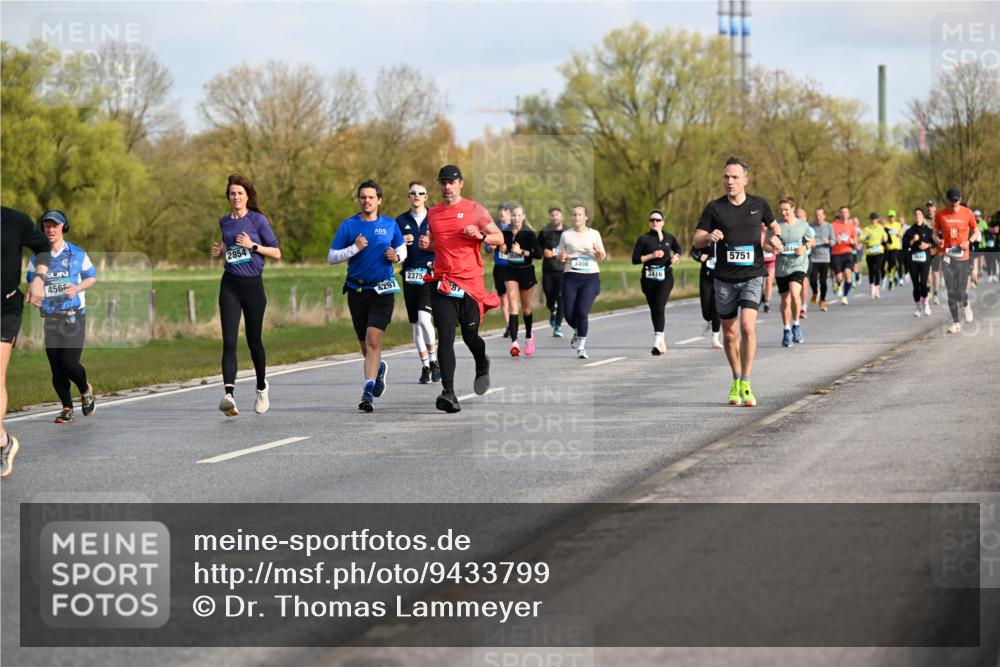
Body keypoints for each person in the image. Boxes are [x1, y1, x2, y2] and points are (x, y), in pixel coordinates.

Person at [693, 156, 782, 408]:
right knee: (730, 334)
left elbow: (775, 228)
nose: (729, 181)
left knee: (747, 328)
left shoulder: (759, 204)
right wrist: (709, 236)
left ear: (745, 180)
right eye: (726, 177)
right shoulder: (714, 208)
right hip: (724, 279)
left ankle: (746, 380)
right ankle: (735, 378)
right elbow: (696, 239)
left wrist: (776, 240)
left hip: (753, 275)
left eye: (734, 177)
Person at [419, 165, 503, 413]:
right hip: (443, 283)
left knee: (470, 337)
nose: (446, 187)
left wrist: (480, 236)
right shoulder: (432, 214)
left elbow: (499, 238)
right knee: (444, 336)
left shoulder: (475, 209)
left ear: (460, 184)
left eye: (451, 182)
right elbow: (437, 243)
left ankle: (481, 362)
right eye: (443, 183)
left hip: (470, 284)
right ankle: (448, 392)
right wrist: (427, 245)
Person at [329, 179, 405, 412]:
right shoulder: (349, 226)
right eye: (363, 197)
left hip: (382, 290)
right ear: (359, 200)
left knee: (373, 340)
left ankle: (367, 392)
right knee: (365, 346)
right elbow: (331, 257)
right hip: (356, 290)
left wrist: (396, 257)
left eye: (371, 197)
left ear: (379, 200)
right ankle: (378, 369)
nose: (367, 201)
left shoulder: (390, 225)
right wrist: (355, 248)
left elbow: (402, 250)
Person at [210, 173, 281, 417]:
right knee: (229, 341)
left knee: (254, 342)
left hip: (253, 287)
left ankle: (262, 386)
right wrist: (222, 251)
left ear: (247, 196)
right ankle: (229, 395)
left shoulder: (258, 220)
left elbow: (277, 252)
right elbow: (231, 248)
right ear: (228, 197)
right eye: (232, 193)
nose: (236, 197)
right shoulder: (224, 222)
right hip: (229, 284)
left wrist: (253, 245)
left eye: (240, 193)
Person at [26, 210, 97, 424]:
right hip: (51, 318)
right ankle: (67, 407)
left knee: (69, 364)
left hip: (73, 316)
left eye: (55, 225)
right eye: (47, 225)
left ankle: (85, 390)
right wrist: (35, 295)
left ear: (63, 227)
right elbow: (33, 283)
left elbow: (91, 278)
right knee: (57, 370)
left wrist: (77, 287)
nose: (51, 229)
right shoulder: (38, 257)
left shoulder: (77, 254)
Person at [1, 207, 48, 478]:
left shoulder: (14, 221)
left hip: (4, 308)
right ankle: (5, 442)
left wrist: (39, 279)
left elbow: (42, 247)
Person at [395, 180, 440, 384]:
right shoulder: (400, 220)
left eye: (420, 193)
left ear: (426, 196)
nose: (416, 196)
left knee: (424, 319)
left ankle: (434, 361)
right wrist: (401, 244)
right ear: (409, 196)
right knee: (415, 325)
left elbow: (445, 244)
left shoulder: (435, 218)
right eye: (412, 193)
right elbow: (392, 248)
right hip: (409, 275)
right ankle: (425, 366)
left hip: (428, 275)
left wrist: (431, 245)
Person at [556, 205, 607, 360]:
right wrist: (562, 257)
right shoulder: (566, 235)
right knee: (569, 314)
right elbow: (560, 254)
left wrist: (599, 252)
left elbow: (602, 256)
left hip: (590, 277)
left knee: (582, 312)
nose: (576, 217)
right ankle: (578, 331)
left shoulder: (594, 234)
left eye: (579, 214)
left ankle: (581, 347)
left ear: (586, 217)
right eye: (574, 214)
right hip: (571, 275)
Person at [632, 209, 682, 355]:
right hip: (648, 278)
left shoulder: (669, 237)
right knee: (654, 309)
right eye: (652, 220)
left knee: (660, 307)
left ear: (662, 222)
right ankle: (661, 337)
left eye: (658, 220)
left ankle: (656, 343)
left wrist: (676, 257)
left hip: (665, 277)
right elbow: (635, 260)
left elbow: (678, 249)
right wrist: (651, 255)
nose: (655, 222)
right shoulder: (644, 239)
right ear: (649, 223)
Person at [933, 187, 980, 334]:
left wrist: (970, 242)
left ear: (960, 199)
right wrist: (938, 240)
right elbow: (934, 233)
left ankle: (965, 305)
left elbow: (976, 231)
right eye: (952, 200)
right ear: (947, 199)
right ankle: (956, 323)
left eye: (957, 200)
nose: (955, 203)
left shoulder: (967, 213)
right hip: (947, 256)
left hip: (963, 256)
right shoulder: (940, 215)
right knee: (950, 291)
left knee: (960, 290)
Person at [771, 197, 815, 347]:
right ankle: (787, 329)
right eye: (781, 210)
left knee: (794, 293)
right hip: (782, 267)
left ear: (793, 209)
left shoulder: (803, 225)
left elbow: (812, 241)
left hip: (798, 265)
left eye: (786, 210)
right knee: (785, 299)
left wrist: (805, 247)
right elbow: (766, 244)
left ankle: (796, 324)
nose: (783, 213)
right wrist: (773, 249)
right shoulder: (777, 226)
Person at [503, 204, 543, 357]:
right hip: (510, 271)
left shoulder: (529, 234)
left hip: (526, 272)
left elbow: (538, 254)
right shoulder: (506, 232)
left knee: (526, 309)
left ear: (523, 217)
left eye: (519, 215)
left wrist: (522, 252)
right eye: (513, 215)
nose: (516, 218)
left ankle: (528, 337)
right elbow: (503, 246)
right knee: (513, 305)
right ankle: (514, 343)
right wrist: (501, 248)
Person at [901, 207, 934, 317]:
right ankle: (918, 307)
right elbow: (904, 246)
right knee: (916, 285)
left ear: (922, 216)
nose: (917, 216)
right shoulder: (909, 231)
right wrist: (912, 240)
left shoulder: (928, 230)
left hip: (925, 260)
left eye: (919, 214)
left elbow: (934, 244)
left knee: (924, 283)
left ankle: (926, 303)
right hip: (913, 260)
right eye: (915, 214)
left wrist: (927, 245)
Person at [538, 207, 566, 337]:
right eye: (552, 215)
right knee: (549, 296)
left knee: (560, 297)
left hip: (563, 270)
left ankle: (558, 326)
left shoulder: (568, 232)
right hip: (548, 270)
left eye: (557, 215)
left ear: (562, 216)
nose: (555, 217)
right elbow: (537, 247)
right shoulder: (544, 231)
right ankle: (552, 310)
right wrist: (543, 251)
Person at [691, 242, 723, 349]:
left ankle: (715, 338)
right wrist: (699, 257)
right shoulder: (704, 238)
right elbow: (694, 251)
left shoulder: (726, 236)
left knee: (716, 307)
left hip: (722, 278)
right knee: (706, 310)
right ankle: (709, 321)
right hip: (706, 278)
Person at [488, 203, 513, 337]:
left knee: (512, 297)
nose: (502, 213)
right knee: (503, 297)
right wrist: (490, 247)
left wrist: (507, 247)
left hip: (512, 267)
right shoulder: (494, 227)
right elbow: (488, 245)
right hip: (499, 267)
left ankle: (513, 323)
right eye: (500, 210)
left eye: (505, 210)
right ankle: (508, 325)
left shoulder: (514, 227)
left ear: (510, 213)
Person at [808, 207, 834, 312]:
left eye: (820, 215)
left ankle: (822, 301)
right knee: (813, 280)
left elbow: (834, 241)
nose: (818, 217)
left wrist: (828, 242)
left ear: (824, 216)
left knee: (823, 281)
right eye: (816, 215)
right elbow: (806, 239)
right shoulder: (810, 226)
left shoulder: (829, 226)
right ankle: (815, 291)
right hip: (813, 258)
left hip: (825, 258)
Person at [830, 210, 857, 305]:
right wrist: (835, 241)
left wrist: (852, 242)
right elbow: (830, 239)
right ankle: (838, 283)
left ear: (848, 214)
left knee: (848, 275)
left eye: (846, 212)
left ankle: (845, 296)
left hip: (848, 253)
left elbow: (856, 243)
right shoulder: (833, 225)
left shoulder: (851, 227)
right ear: (840, 214)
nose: (844, 214)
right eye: (842, 212)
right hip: (836, 253)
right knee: (839, 277)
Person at [860, 212, 889, 300]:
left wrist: (885, 238)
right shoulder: (867, 229)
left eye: (875, 219)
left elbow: (885, 236)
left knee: (877, 269)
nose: (873, 221)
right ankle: (872, 289)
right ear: (870, 220)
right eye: (872, 219)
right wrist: (866, 238)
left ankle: (877, 289)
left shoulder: (880, 228)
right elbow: (860, 239)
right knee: (871, 271)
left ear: (877, 220)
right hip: (870, 252)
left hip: (879, 252)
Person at [883, 210, 904, 289]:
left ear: (895, 217)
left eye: (892, 216)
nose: (891, 218)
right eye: (890, 216)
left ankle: (897, 277)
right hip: (889, 248)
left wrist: (898, 234)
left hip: (896, 247)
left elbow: (901, 234)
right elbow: (884, 235)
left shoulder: (898, 225)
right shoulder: (885, 225)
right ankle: (891, 277)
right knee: (890, 264)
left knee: (896, 262)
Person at [927, 200, 943, 304]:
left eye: (931, 206)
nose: (929, 208)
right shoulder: (923, 219)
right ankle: (928, 291)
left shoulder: (939, 218)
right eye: (928, 206)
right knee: (927, 273)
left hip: (937, 249)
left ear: (935, 208)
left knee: (936, 273)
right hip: (927, 249)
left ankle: (936, 294)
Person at [761, 227, 777, 314]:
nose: (764, 225)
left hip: (771, 260)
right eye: (762, 223)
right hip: (760, 261)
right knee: (761, 282)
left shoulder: (772, 234)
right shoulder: (756, 233)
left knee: (769, 282)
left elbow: (777, 245)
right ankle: (762, 296)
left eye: (765, 224)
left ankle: (767, 303)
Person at [985, 212, 1000, 283]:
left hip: (995, 246)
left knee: (995, 260)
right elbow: (987, 228)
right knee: (990, 261)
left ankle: (994, 274)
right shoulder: (986, 227)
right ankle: (990, 275)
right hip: (991, 246)